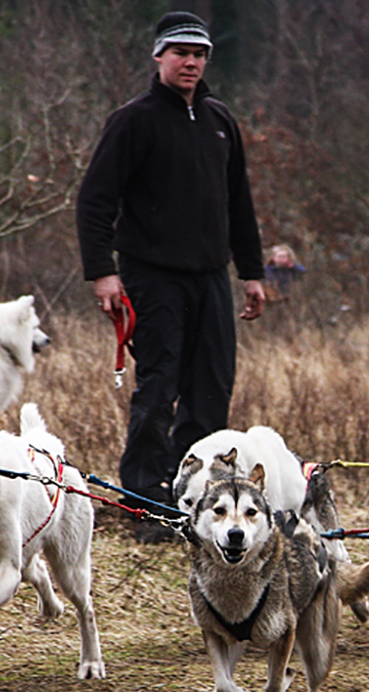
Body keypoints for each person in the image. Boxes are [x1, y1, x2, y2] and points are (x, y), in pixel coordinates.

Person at [77, 11, 266, 543]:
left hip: (210, 278)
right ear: (159, 56)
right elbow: (94, 201)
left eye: (200, 54)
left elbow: (239, 205)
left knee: (211, 391)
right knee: (157, 388)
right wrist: (103, 273)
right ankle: (144, 505)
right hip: (151, 277)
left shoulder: (219, 121)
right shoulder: (133, 121)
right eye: (181, 52)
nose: (191, 62)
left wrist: (250, 272)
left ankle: (200, 506)